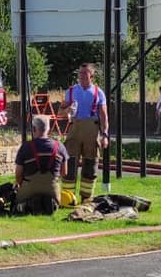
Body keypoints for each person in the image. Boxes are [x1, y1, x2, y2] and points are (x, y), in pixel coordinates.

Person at [61, 62, 109, 202]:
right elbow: (61, 112)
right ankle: (67, 197)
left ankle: (86, 198)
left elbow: (104, 116)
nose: (81, 76)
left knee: (90, 163)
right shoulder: (71, 91)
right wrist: (66, 111)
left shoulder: (98, 92)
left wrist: (104, 135)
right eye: (80, 73)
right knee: (69, 161)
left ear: (91, 75)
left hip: (91, 129)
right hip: (75, 128)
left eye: (85, 73)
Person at [14, 115, 69, 213]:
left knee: (18, 201)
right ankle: (50, 204)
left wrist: (19, 185)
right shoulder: (59, 146)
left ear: (34, 129)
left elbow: (18, 174)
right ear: (48, 129)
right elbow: (64, 173)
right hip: (52, 190)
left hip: (29, 189)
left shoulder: (25, 147)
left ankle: (28, 205)